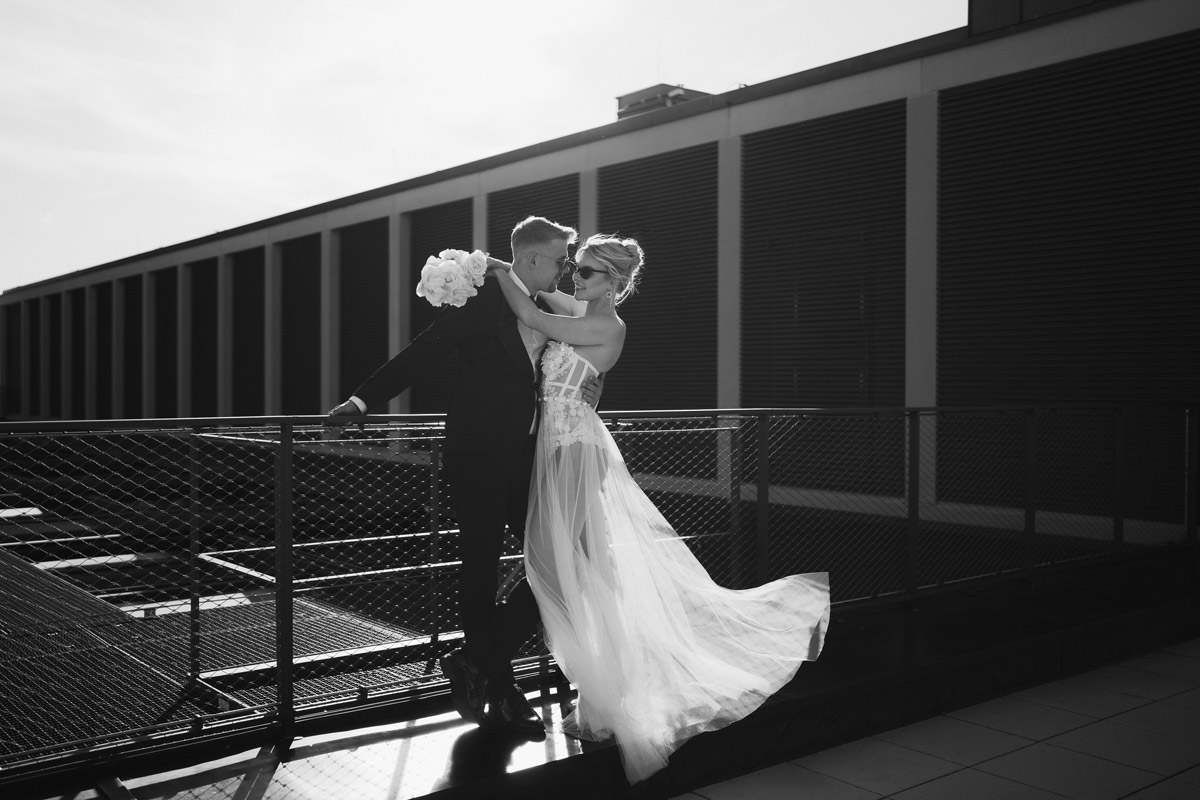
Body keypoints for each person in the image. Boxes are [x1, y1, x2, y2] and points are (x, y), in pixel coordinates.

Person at [491, 234, 830, 783]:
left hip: (574, 451)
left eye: (588, 273)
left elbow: (533, 311)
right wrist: (513, 266)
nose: (574, 278)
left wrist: (489, 269)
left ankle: (581, 687)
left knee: (561, 568)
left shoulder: (607, 327)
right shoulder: (581, 308)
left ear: (617, 283)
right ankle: (598, 692)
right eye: (575, 269)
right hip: (554, 449)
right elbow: (547, 303)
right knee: (578, 568)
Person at [328, 216, 594, 735]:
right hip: (475, 459)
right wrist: (361, 401)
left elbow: (592, 320)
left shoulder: (543, 305)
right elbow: (424, 352)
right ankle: (501, 687)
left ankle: (479, 662)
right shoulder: (479, 302)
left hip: (529, 460)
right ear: (534, 257)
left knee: (563, 560)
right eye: (561, 259)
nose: (566, 268)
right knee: (479, 572)